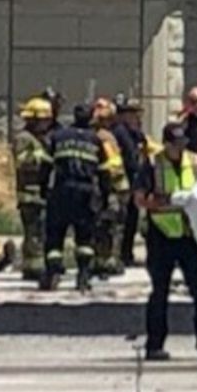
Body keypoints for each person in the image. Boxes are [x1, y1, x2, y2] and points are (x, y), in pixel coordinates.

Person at [135, 122, 197, 362]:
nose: (180, 148)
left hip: (192, 236)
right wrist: (172, 200)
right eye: (175, 144)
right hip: (161, 235)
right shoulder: (153, 165)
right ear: (165, 144)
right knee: (159, 292)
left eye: (182, 143)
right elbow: (141, 199)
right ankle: (155, 345)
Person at [41, 104, 106, 292]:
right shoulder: (96, 140)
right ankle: (83, 276)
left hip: (62, 189)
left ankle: (53, 274)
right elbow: (104, 171)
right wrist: (104, 194)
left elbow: (46, 165)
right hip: (85, 192)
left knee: (55, 235)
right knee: (84, 236)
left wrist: (44, 189)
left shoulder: (58, 136)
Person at [14, 97, 54, 282]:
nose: (46, 123)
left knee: (41, 231)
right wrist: (43, 158)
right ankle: (32, 267)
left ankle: (37, 264)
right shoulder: (23, 138)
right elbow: (22, 162)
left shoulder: (42, 139)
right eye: (43, 120)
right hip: (29, 193)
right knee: (33, 232)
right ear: (33, 120)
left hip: (42, 192)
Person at [91, 97, 129, 278]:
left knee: (102, 225)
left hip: (102, 188)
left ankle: (100, 259)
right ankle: (109, 260)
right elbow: (114, 165)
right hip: (112, 188)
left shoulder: (94, 134)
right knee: (112, 226)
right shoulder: (105, 137)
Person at [112, 97, 147, 267]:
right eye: (133, 113)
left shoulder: (134, 133)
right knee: (122, 222)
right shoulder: (120, 132)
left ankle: (126, 254)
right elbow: (130, 160)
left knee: (131, 221)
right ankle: (119, 256)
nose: (137, 117)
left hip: (132, 184)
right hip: (122, 185)